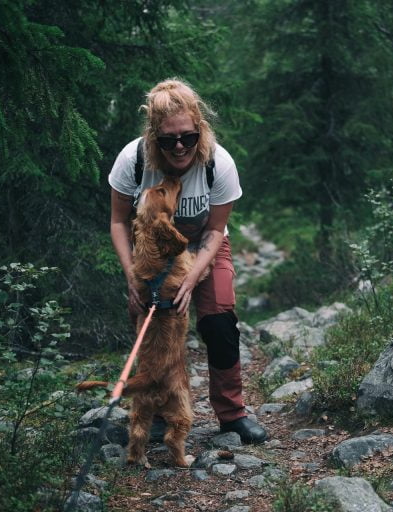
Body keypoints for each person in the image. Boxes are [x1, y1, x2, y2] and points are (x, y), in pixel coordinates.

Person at [107, 78, 267, 444]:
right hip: (153, 257)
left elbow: (215, 231)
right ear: (153, 137)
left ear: (199, 128)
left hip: (205, 248)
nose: (179, 146)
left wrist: (192, 278)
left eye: (187, 137)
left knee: (219, 322)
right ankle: (160, 413)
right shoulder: (133, 161)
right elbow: (118, 222)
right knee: (154, 332)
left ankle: (232, 415)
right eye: (168, 140)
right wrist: (132, 276)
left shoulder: (218, 163)